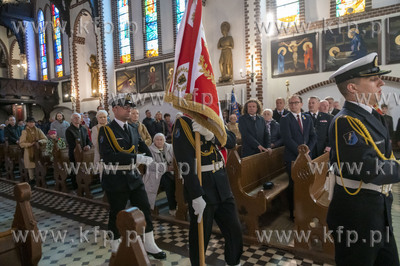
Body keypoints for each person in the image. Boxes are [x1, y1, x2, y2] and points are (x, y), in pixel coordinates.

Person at [327, 52, 400, 265]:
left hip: (378, 208)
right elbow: (368, 168)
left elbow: (386, 156)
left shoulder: (373, 115)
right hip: (357, 216)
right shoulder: (345, 122)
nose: (381, 82)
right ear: (353, 88)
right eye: (373, 79)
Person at [98, 94, 166, 259]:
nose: (129, 109)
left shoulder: (134, 128)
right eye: (125, 107)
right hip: (115, 176)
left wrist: (149, 157)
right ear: (115, 109)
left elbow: (143, 145)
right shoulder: (106, 130)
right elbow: (108, 156)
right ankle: (116, 246)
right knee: (117, 212)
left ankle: (149, 244)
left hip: (133, 176)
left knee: (145, 209)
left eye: (130, 107)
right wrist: (136, 158)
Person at [173, 114, 243, 266]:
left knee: (234, 229)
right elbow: (184, 163)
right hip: (202, 186)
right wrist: (196, 195)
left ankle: (233, 262)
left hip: (221, 183)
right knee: (200, 236)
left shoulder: (213, 116)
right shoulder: (184, 122)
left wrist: (212, 135)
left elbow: (231, 141)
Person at [280, 95, 317, 220]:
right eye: (290, 103)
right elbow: (287, 139)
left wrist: (307, 150)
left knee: (306, 183)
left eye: (296, 103)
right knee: (293, 185)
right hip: (292, 158)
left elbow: (313, 136)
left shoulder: (307, 118)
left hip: (307, 156)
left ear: (301, 104)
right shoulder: (285, 119)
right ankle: (293, 212)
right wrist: (301, 153)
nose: (293, 105)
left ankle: (306, 208)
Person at [144, 133, 177, 215]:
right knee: (169, 182)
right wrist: (166, 168)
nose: (159, 141)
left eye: (161, 139)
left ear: (164, 140)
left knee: (180, 181)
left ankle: (180, 204)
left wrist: (174, 165)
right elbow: (151, 165)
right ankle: (172, 207)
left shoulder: (170, 147)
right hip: (155, 174)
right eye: (157, 140)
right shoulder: (149, 150)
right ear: (154, 141)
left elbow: (175, 159)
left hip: (171, 172)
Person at [65, 113, 92, 189]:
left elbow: (88, 140)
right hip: (74, 153)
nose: (77, 119)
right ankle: (75, 186)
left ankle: (84, 183)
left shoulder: (83, 129)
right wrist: (80, 148)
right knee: (75, 169)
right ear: (72, 119)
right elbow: (71, 143)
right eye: (75, 118)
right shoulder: (69, 130)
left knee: (83, 169)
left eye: (78, 118)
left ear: (81, 119)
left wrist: (88, 146)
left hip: (84, 153)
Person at [19, 117, 47, 186]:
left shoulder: (38, 130)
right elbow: (21, 143)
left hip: (38, 150)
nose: (32, 124)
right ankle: (32, 180)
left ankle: (40, 179)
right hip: (29, 151)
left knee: (38, 165)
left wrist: (39, 142)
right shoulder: (24, 131)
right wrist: (30, 144)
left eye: (33, 122)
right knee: (30, 166)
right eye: (30, 122)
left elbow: (45, 139)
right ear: (27, 123)